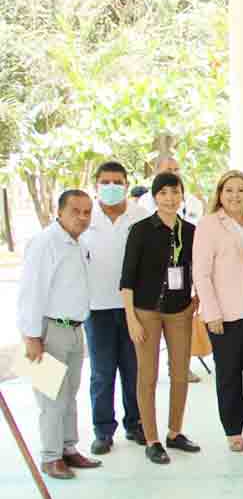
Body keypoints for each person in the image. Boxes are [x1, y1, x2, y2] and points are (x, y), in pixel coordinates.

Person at [17, 189, 103, 479]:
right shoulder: (45, 243)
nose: (82, 217)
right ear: (60, 212)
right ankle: (51, 457)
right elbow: (31, 291)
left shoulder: (79, 243)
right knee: (51, 397)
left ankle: (68, 448)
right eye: (75, 211)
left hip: (75, 329)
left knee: (69, 395)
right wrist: (31, 337)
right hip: (48, 330)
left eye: (87, 212)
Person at [120, 172, 202, 464]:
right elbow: (127, 279)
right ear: (155, 197)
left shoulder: (190, 231)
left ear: (182, 196)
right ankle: (152, 439)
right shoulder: (140, 230)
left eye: (175, 192)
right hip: (146, 312)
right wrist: (131, 318)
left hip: (179, 311)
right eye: (163, 193)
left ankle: (174, 432)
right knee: (148, 376)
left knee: (180, 374)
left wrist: (196, 300)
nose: (170, 198)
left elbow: (199, 270)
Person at [193, 170, 243, 453]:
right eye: (229, 190)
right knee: (228, 375)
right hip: (224, 315)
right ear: (220, 194)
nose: (235, 195)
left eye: (241, 190)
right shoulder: (209, 225)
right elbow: (201, 273)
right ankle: (233, 430)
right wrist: (211, 312)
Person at [80, 161, 149, 455]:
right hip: (96, 309)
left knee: (134, 371)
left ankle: (136, 424)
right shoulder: (85, 217)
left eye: (117, 182)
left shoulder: (140, 216)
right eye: (105, 182)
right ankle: (103, 431)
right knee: (102, 373)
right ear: (96, 185)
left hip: (134, 309)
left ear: (126, 184)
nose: (111, 187)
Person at [140, 155, 202, 383]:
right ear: (156, 172)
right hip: (152, 288)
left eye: (176, 169)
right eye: (168, 169)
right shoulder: (143, 205)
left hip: (181, 283)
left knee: (180, 338)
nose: (173, 173)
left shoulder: (191, 202)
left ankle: (179, 368)